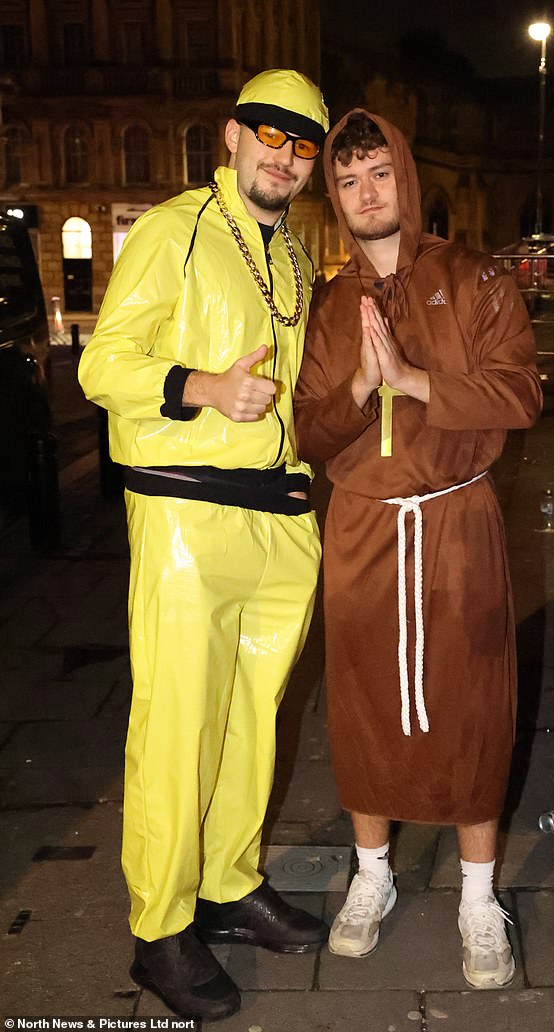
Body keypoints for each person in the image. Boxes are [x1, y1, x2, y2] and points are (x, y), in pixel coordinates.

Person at [79, 69, 330, 1022]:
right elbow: (106, 362)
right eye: (271, 133)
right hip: (187, 512)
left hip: (276, 517)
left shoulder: (296, 257)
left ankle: (227, 884)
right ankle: (159, 929)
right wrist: (203, 387)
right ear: (232, 135)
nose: (285, 155)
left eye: (303, 145)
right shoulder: (173, 229)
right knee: (179, 723)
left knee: (252, 719)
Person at [294, 110, 543, 989]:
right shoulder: (330, 303)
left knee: (473, 702)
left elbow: (519, 393)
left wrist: (413, 380)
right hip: (361, 528)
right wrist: (362, 386)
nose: (367, 194)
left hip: (455, 518)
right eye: (349, 181)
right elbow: (310, 432)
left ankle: (480, 896)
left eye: (380, 175)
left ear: (405, 174)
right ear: (337, 197)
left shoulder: (474, 279)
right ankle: (373, 878)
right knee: (360, 702)